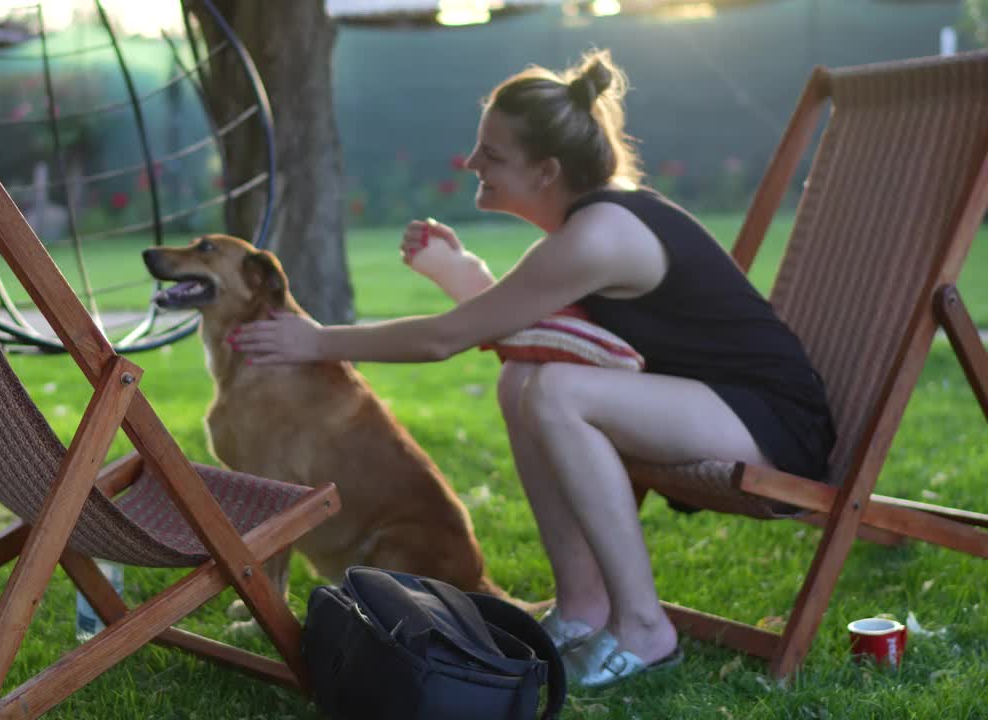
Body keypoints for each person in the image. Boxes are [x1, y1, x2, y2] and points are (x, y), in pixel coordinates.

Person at [231, 50, 836, 688]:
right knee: (524, 380)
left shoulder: (600, 235)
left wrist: (317, 342)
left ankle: (643, 628)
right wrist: (465, 277)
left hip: (769, 424)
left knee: (554, 389)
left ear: (546, 171)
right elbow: (529, 331)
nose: (472, 163)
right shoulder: (587, 229)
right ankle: (581, 608)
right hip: (707, 403)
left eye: (492, 154)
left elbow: (448, 339)